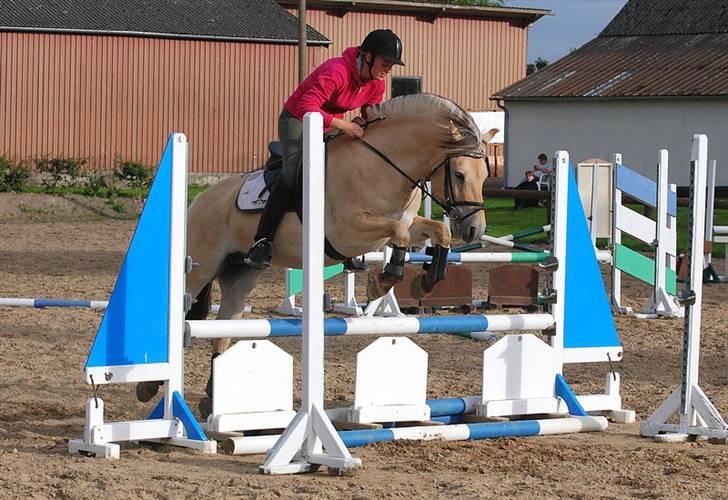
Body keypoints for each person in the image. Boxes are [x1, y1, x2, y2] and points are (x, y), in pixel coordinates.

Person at [244, 29, 405, 270]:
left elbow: (370, 114)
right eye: (385, 63)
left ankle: (346, 238)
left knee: (349, 165)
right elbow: (306, 106)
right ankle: (262, 240)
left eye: (392, 66)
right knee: (293, 170)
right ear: (368, 57)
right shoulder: (336, 70)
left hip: (330, 122)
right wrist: (344, 125)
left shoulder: (376, 84)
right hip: (297, 118)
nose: (387, 71)